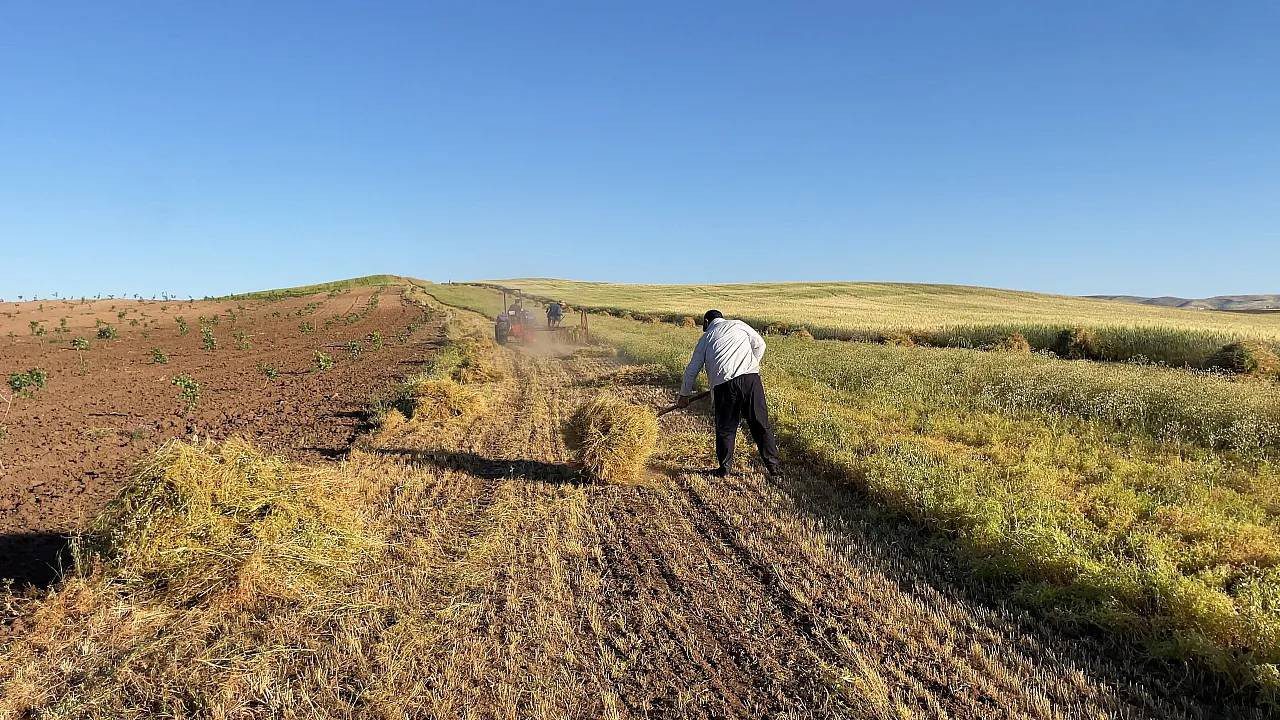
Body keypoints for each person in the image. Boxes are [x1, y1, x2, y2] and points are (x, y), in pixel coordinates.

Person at [677, 310, 781, 478]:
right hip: (750, 380)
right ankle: (774, 468)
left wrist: (684, 395)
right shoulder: (738, 324)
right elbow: (760, 344)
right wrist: (751, 365)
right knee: (760, 424)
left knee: (726, 428)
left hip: (723, 387)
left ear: (706, 321)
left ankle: (724, 469)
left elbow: (692, 370)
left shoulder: (705, 339)